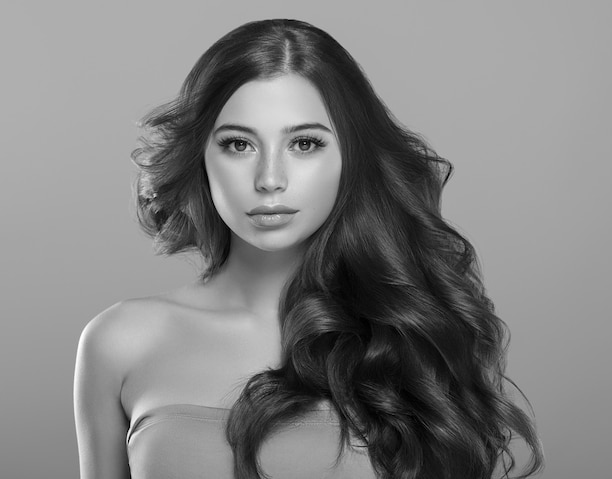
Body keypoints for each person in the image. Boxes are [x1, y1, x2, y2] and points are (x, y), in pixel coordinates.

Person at [74, 19, 544, 479]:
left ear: (350, 158)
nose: (270, 179)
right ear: (201, 157)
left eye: (304, 143)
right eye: (238, 144)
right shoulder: (120, 342)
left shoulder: (410, 335)